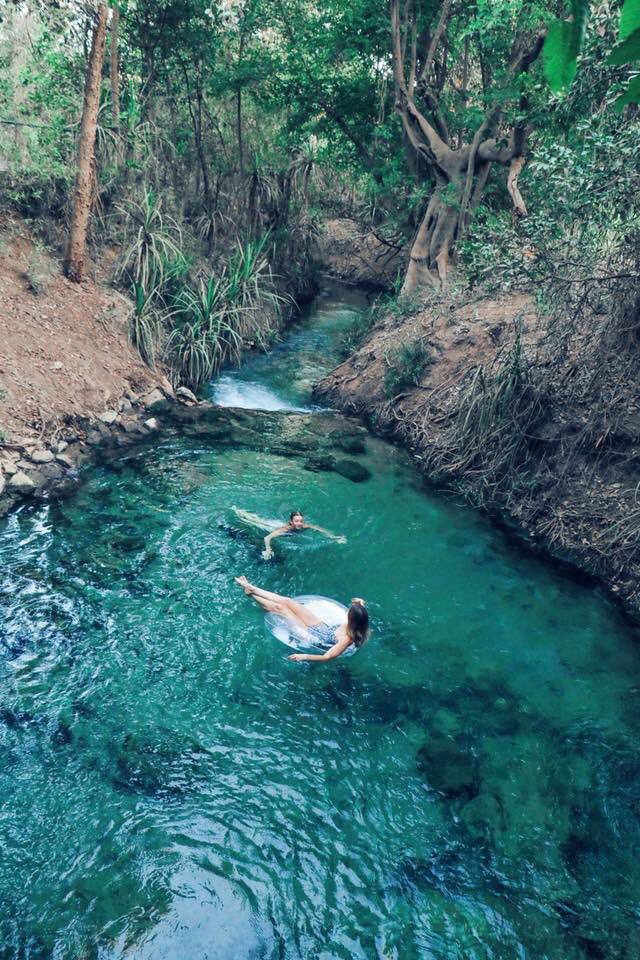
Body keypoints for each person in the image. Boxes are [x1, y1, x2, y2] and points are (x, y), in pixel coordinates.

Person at [234, 576, 369, 662]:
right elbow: (360, 606)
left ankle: (250, 594)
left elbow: (327, 657)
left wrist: (303, 656)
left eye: (349, 612)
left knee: (280, 608)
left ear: (352, 619)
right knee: (287, 601)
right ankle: (252, 588)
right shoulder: (358, 619)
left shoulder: (347, 639)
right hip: (320, 627)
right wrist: (360, 602)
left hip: (313, 637)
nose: (347, 612)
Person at [262, 510, 346, 560]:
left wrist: (333, 537)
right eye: (296, 521)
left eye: (301, 521)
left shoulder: (305, 526)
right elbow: (267, 538)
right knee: (256, 521)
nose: (299, 523)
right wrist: (268, 549)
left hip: (285, 529)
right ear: (291, 522)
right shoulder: (285, 529)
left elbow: (319, 529)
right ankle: (248, 515)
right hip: (273, 527)